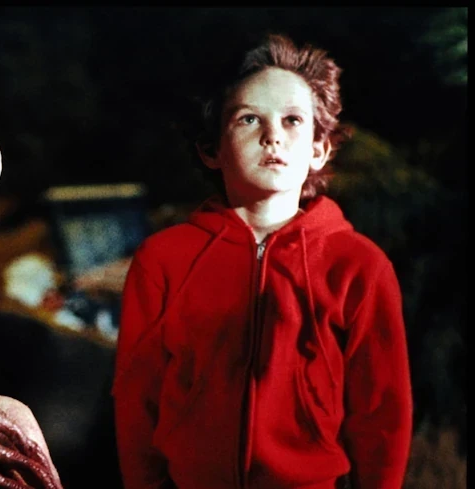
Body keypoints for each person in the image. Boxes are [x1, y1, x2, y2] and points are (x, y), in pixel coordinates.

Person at [112, 33, 413, 489]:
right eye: (249, 118)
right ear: (211, 149)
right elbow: (137, 397)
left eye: (293, 120)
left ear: (319, 149)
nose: (273, 136)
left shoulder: (359, 267)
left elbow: (382, 410)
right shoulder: (163, 260)